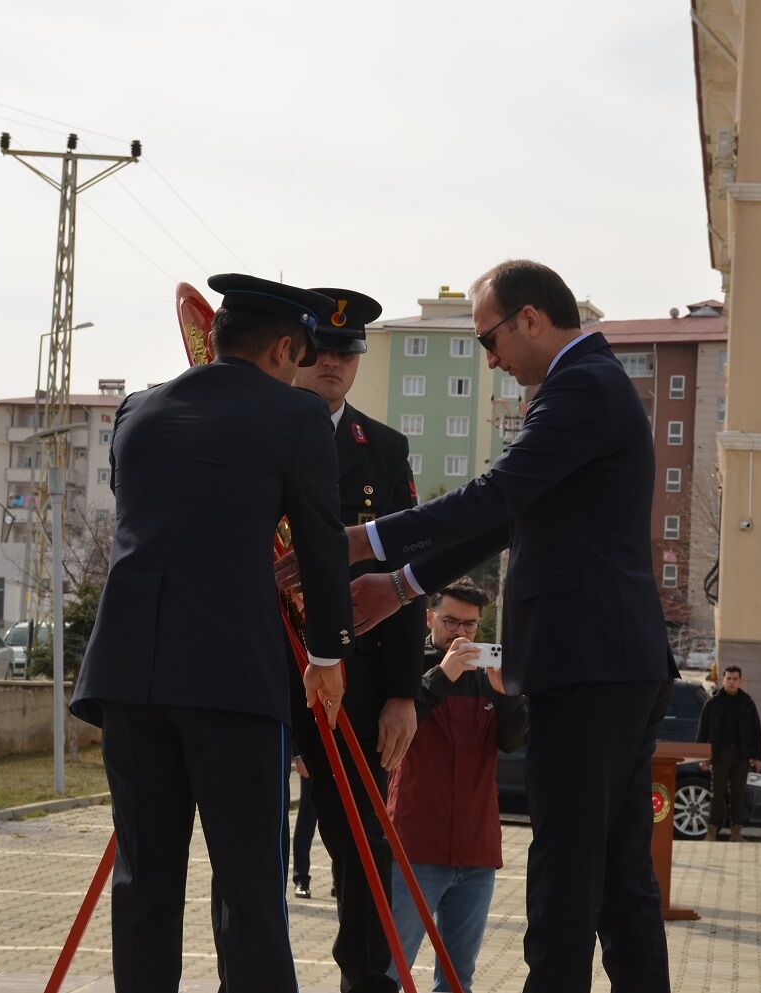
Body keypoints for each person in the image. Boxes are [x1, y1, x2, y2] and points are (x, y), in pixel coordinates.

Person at [283, 259, 678, 993]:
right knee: (622, 882)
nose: (489, 358)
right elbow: (509, 517)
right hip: (614, 663)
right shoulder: (581, 388)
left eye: (489, 339)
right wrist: (401, 584)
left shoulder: (580, 389)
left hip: (588, 667)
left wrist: (361, 540)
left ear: (530, 319)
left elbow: (494, 495)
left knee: (566, 883)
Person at [71, 274, 355, 993]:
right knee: (248, 888)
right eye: (300, 356)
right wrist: (327, 655)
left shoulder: (136, 410)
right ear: (284, 347)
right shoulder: (297, 418)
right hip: (233, 678)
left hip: (130, 675)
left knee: (144, 881)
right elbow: (321, 547)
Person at [289, 287, 425, 993]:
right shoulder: (257, 430)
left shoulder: (384, 449)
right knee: (248, 845)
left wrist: (403, 691)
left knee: (361, 846)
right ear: (293, 349)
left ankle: (365, 982)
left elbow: (402, 579)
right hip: (263, 664)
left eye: (347, 352)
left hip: (358, 680)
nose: (334, 363)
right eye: (321, 349)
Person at [386, 578, 527, 993]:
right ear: (429, 618)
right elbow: (396, 729)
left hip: (477, 854)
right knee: (392, 970)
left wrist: (505, 695)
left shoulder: (490, 676)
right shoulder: (408, 666)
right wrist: (442, 674)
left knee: (457, 978)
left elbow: (514, 741)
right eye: (450, 622)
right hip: (416, 847)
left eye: (470, 626)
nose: (461, 634)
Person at [697, 665, 761, 842]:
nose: (732, 682)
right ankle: (711, 832)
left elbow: (756, 732)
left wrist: (757, 757)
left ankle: (736, 833)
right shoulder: (713, 702)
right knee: (717, 794)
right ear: (723, 680)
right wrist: (703, 756)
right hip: (719, 755)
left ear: (741, 681)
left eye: (735, 679)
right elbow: (703, 730)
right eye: (729, 679)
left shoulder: (747, 703)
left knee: (737, 795)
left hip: (741, 756)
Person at [292, 751, 319, 897]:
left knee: (339, 823)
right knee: (306, 820)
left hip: (338, 752)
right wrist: (299, 755)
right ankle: (301, 878)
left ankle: (338, 879)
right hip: (311, 754)